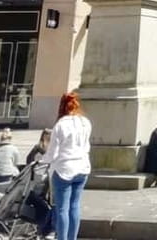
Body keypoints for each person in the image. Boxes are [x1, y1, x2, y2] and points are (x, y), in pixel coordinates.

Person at [43, 92, 91, 240]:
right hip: (82, 167)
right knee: (74, 206)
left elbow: (53, 152)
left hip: (64, 169)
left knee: (62, 209)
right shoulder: (85, 122)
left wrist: (43, 160)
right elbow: (87, 146)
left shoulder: (60, 125)